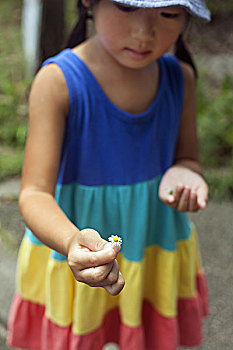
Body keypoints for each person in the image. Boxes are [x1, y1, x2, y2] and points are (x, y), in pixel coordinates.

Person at [7, 0, 210, 349]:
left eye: (168, 14)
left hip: (153, 248)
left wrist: (186, 174)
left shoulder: (181, 79)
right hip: (73, 252)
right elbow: (34, 193)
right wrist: (71, 242)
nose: (144, 32)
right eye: (127, 8)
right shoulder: (58, 82)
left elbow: (187, 158)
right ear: (89, 2)